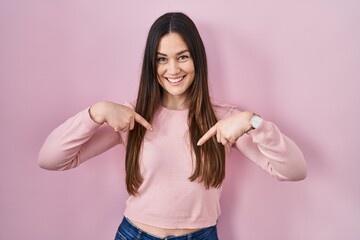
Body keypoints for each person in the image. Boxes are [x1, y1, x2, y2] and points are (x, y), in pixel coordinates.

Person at [38, 12, 307, 240]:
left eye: (182, 57)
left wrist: (253, 122)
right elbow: (51, 160)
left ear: (197, 59)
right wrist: (94, 113)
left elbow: (294, 171)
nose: (173, 69)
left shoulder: (225, 121)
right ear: (151, 65)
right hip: (135, 234)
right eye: (162, 59)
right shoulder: (131, 117)